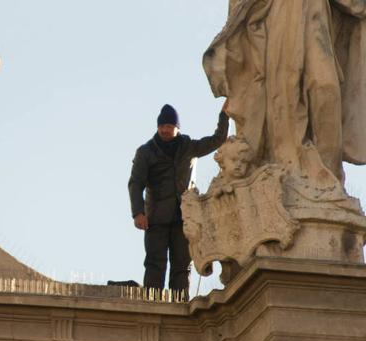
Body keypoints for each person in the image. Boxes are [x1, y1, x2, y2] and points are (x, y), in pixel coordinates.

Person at [203, 0, 366, 189]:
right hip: (278, 20)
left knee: (326, 88)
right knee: (285, 95)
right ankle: (288, 169)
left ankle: (330, 178)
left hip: (316, 19)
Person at [128, 103, 229, 293]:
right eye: (162, 126)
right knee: (155, 263)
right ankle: (152, 304)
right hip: (155, 218)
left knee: (182, 265)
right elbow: (135, 184)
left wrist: (224, 116)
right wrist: (138, 213)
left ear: (177, 128)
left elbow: (218, 139)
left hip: (184, 218)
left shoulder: (188, 147)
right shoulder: (146, 152)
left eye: (169, 126)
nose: (165, 130)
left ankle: (180, 306)